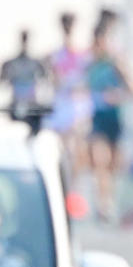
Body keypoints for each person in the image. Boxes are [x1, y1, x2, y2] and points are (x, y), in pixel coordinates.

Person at [85, 10, 133, 222]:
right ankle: (103, 205)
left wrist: (117, 96)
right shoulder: (90, 64)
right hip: (97, 119)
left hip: (115, 120)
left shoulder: (116, 63)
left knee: (112, 167)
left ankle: (111, 200)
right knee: (100, 161)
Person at [45, 12, 91, 186]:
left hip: (77, 108)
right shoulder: (55, 55)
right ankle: (63, 186)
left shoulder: (83, 55)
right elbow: (53, 81)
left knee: (76, 149)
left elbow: (87, 82)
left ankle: (73, 187)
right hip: (62, 107)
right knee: (62, 149)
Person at [0, 28, 47, 119]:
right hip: (15, 106)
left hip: (32, 107)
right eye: (23, 39)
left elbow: (46, 84)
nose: (24, 43)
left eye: (26, 39)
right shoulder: (9, 64)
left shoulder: (37, 63)